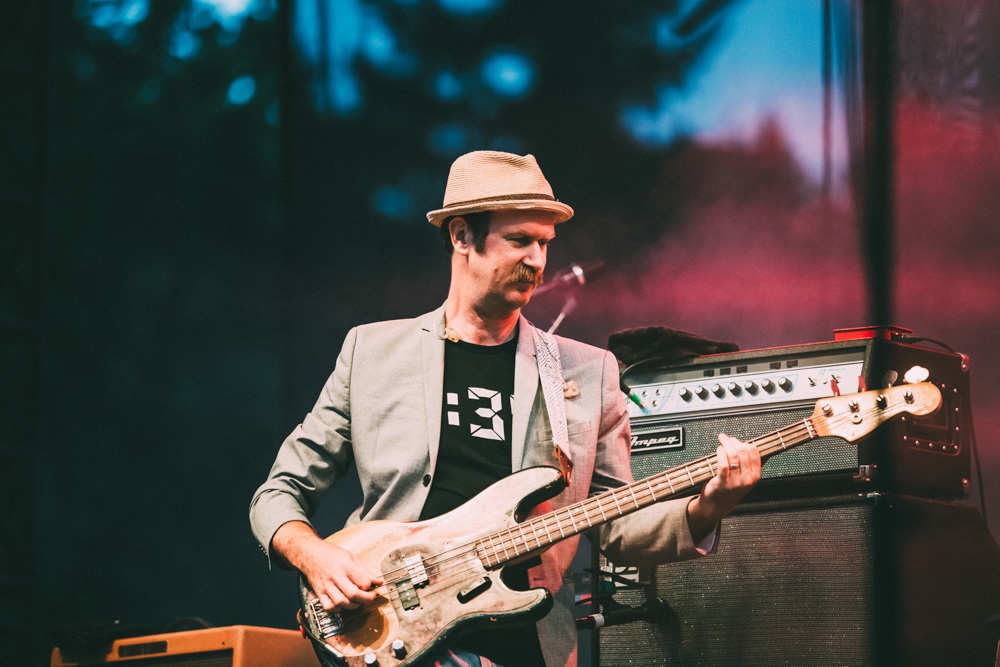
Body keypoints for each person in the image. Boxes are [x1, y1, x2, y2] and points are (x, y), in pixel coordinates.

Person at [249, 151, 762, 667]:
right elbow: (278, 493)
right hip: (386, 632)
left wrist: (707, 508)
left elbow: (616, 527)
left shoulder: (588, 372)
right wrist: (317, 559)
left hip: (525, 645)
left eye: (545, 243)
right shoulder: (372, 352)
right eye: (520, 240)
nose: (538, 260)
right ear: (460, 236)